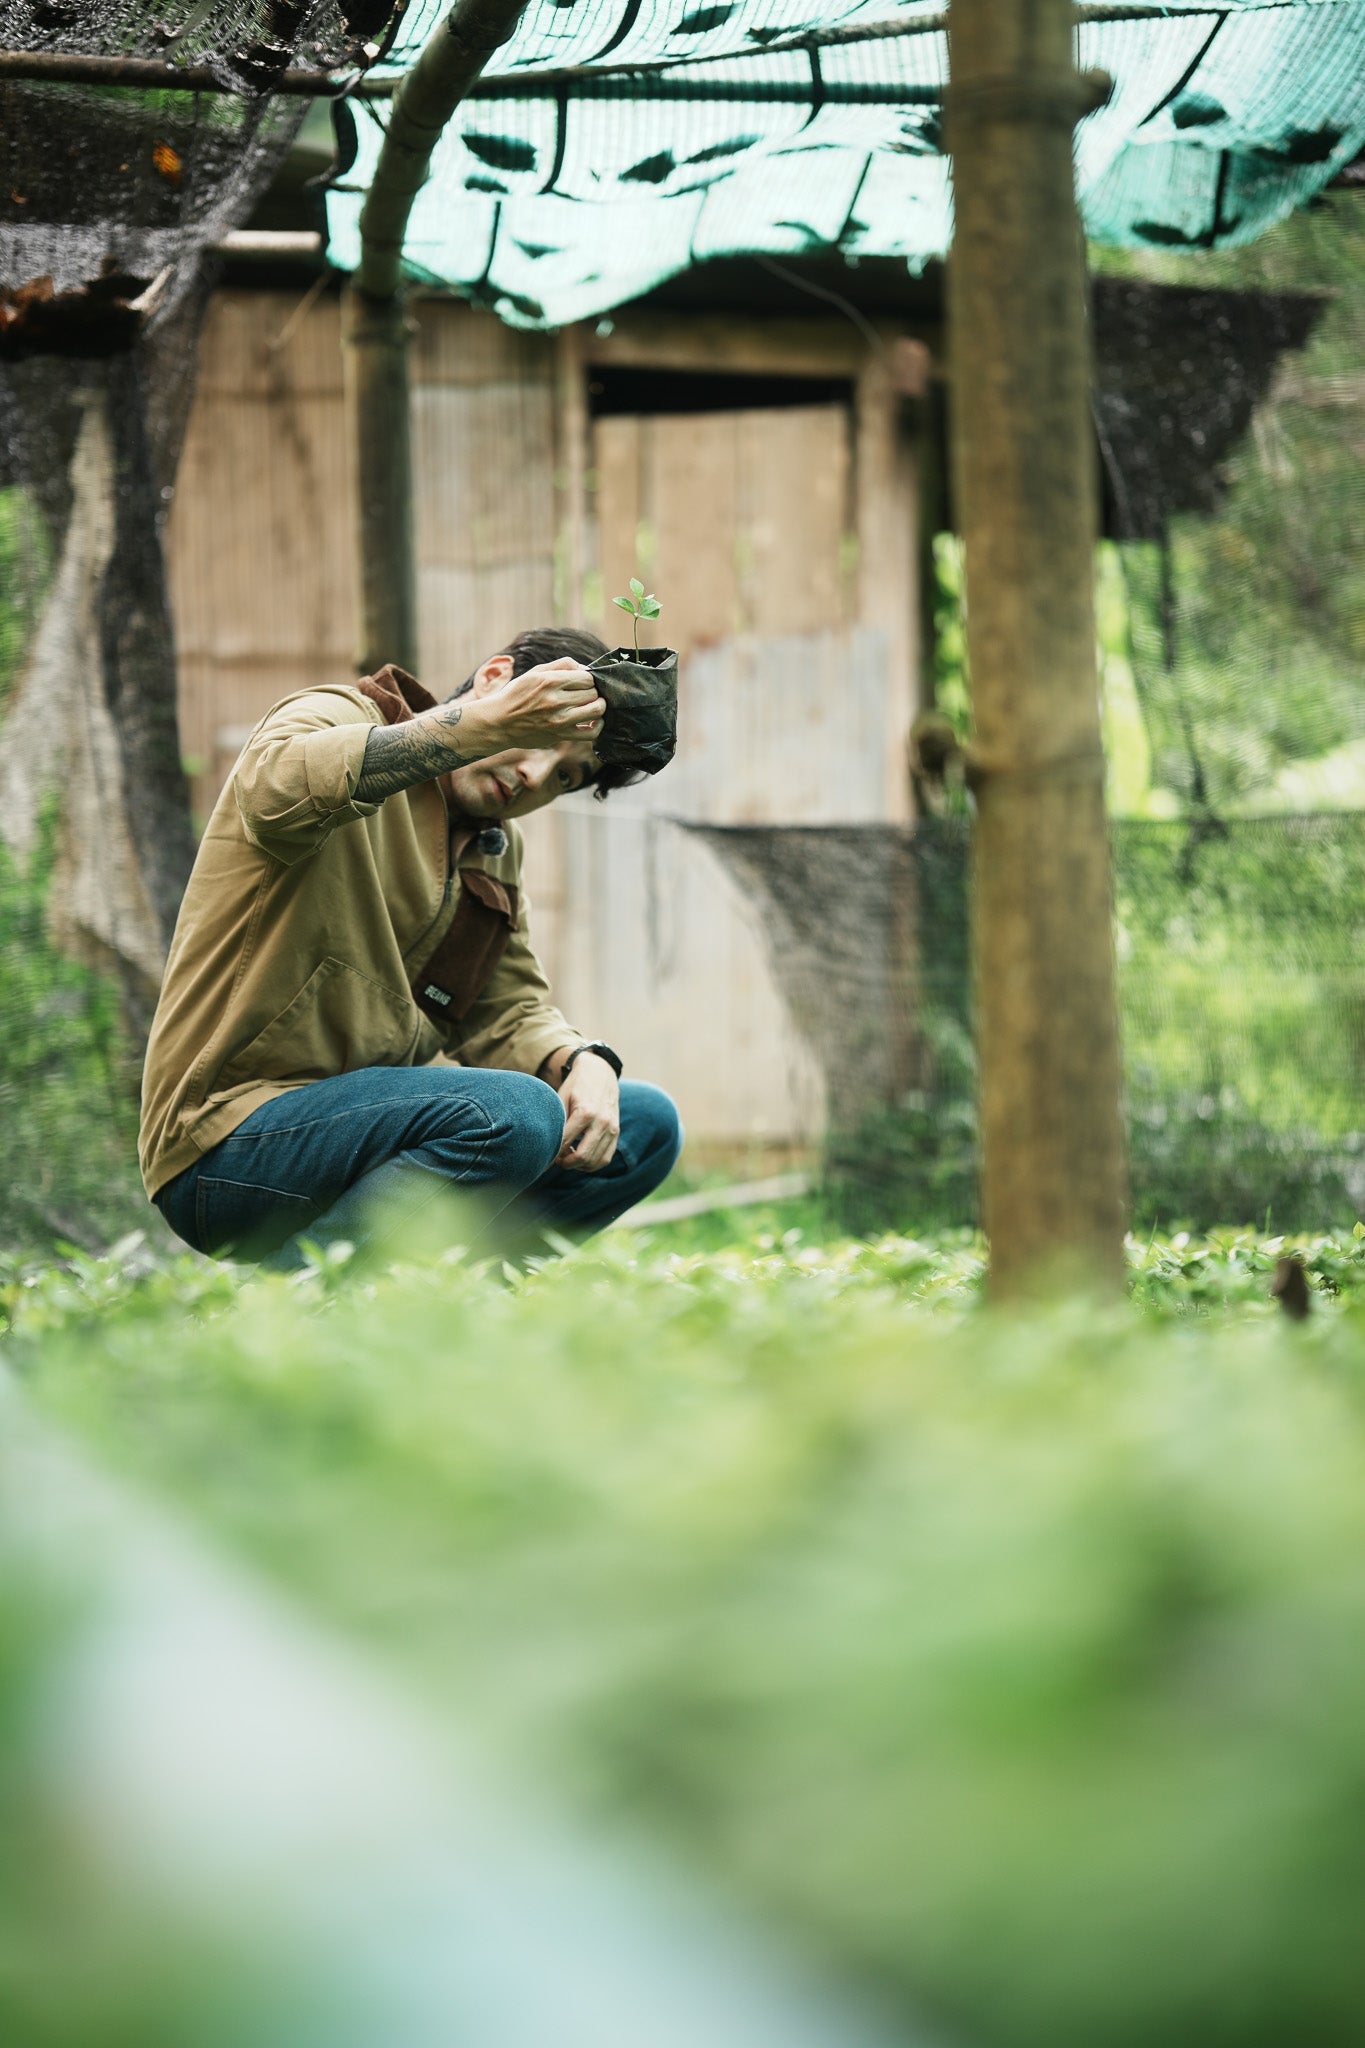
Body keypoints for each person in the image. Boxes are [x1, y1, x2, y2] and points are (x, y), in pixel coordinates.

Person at [140, 627, 682, 1268]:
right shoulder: (338, 715)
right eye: (536, 738)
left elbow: (506, 1010)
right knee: (512, 1114)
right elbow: (270, 793)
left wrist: (581, 1060)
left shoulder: (493, 850)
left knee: (643, 1123)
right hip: (231, 1138)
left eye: (566, 776)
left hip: (377, 1133)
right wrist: (475, 729)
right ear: (492, 680)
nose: (534, 774)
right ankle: (281, 1316)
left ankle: (434, 1322)